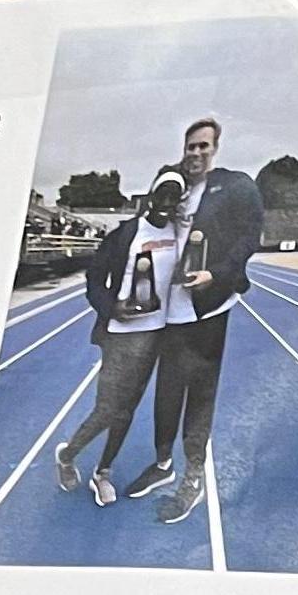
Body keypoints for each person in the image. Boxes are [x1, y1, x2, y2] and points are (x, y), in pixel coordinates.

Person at [129, 116, 262, 529]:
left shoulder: (234, 185)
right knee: (166, 392)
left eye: (204, 146)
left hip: (207, 308)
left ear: (215, 148)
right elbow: (148, 230)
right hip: (166, 310)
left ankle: (191, 476)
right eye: (191, 147)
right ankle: (164, 463)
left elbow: (249, 237)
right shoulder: (170, 185)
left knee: (199, 396)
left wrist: (216, 275)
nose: (197, 153)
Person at [53, 169, 187, 506]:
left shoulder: (182, 234)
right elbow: (94, 280)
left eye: (175, 197)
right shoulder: (126, 234)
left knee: (127, 410)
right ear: (151, 195)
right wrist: (113, 308)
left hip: (158, 334)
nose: (167, 203)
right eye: (163, 194)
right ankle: (68, 455)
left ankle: (103, 473)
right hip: (122, 336)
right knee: (108, 409)